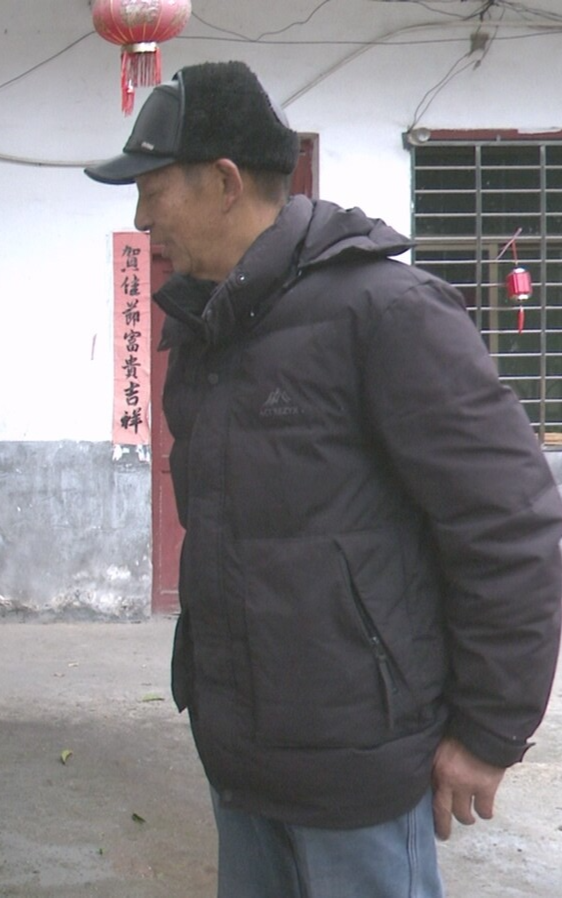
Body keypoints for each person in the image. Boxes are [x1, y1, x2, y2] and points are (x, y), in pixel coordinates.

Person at [84, 60, 562, 897]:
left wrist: (488, 731)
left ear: (224, 182)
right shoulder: (206, 330)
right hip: (240, 755)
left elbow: (509, 522)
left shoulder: (384, 313)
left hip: (359, 767)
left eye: (153, 190)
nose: (141, 217)